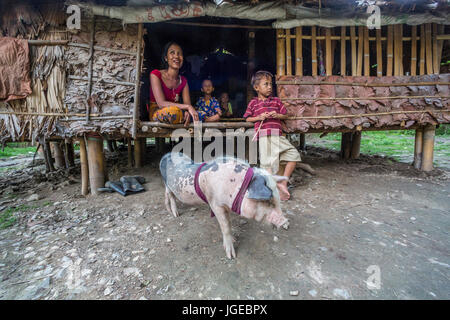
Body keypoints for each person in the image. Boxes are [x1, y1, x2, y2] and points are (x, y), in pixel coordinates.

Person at [244, 70, 301, 201]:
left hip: (277, 136)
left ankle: (284, 182)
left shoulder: (275, 101)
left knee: (294, 155)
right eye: (266, 84)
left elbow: (286, 114)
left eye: (270, 84)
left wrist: (277, 115)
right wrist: (259, 117)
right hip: (264, 137)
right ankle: (274, 191)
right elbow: (247, 118)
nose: (270, 87)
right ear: (256, 87)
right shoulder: (253, 103)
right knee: (267, 165)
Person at [149, 42, 198, 126]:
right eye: (172, 52)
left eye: (179, 54)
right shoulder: (155, 74)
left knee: (198, 114)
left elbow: (188, 104)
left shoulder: (183, 80)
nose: (176, 56)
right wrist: (187, 108)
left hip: (178, 111)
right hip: (158, 111)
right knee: (173, 113)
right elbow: (161, 103)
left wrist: (187, 112)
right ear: (166, 58)